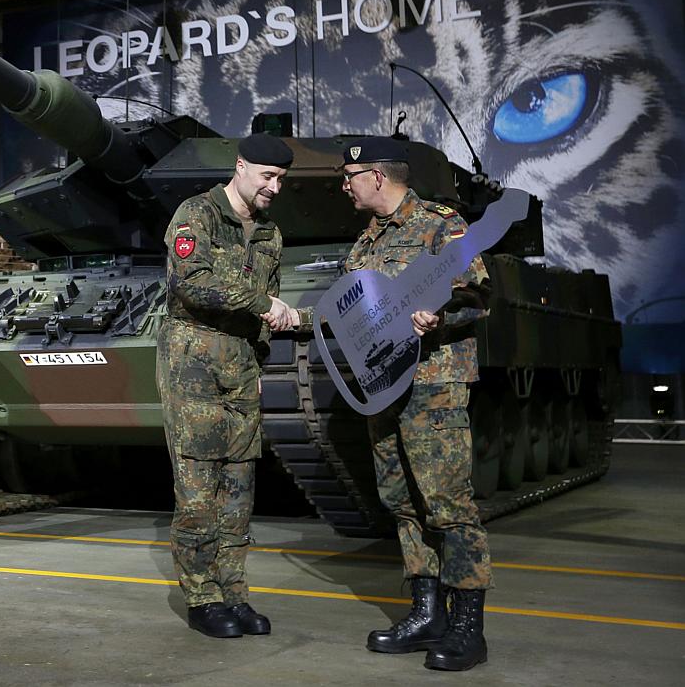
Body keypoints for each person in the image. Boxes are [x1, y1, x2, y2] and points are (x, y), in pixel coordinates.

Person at [288, 136, 492, 671]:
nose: (344, 185)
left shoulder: (439, 225)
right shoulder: (367, 242)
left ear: (377, 176)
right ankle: (427, 613)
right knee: (401, 500)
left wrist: (441, 317)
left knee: (447, 505)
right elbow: (350, 307)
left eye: (350, 176)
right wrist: (299, 319)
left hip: (431, 383)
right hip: (383, 386)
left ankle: (468, 626)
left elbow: (478, 298)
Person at [155, 133, 294, 639]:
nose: (274, 188)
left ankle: (234, 594)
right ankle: (202, 597)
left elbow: (267, 314)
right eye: (267, 176)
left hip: (240, 369)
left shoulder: (270, 234)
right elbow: (191, 282)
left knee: (238, 493)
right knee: (198, 494)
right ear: (240, 166)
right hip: (194, 363)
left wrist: (258, 364)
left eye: (281, 179)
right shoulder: (197, 215)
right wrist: (263, 305)